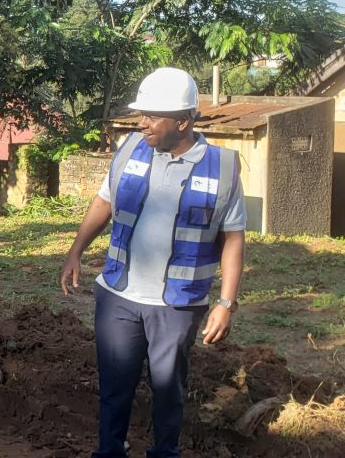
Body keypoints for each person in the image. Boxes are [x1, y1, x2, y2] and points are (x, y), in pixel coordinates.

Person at [60, 67, 246, 458]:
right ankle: (109, 451)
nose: (141, 123)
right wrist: (75, 251)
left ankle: (165, 452)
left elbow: (233, 238)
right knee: (114, 386)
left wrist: (226, 303)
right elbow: (104, 202)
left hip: (177, 304)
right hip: (119, 295)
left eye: (152, 116)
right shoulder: (130, 149)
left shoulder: (224, 167)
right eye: (140, 114)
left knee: (168, 391)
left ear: (183, 121)